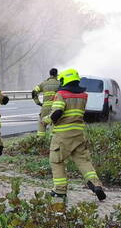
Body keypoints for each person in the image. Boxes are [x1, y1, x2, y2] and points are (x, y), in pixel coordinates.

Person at [48, 68, 106, 202]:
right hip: (79, 134)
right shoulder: (83, 95)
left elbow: (57, 112)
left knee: (56, 160)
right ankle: (96, 185)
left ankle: (60, 190)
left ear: (65, 80)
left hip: (62, 136)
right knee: (84, 161)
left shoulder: (61, 94)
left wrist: (50, 119)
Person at [32, 68, 62, 134]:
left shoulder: (44, 83)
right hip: (55, 109)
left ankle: (40, 140)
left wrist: (38, 103)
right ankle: (51, 141)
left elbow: (34, 92)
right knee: (54, 126)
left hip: (45, 109)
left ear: (50, 74)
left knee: (42, 125)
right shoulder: (60, 84)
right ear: (56, 74)